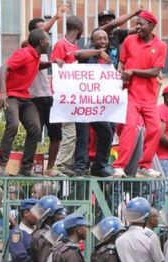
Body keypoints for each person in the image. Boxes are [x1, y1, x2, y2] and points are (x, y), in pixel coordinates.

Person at [0, 29, 58, 176]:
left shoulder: (35, 56)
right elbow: (3, 68)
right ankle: (0, 165)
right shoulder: (23, 53)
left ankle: (25, 168)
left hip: (25, 97)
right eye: (47, 40)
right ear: (41, 42)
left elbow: (36, 65)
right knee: (13, 125)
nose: (49, 42)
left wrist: (52, 63)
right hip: (11, 96)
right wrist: (3, 92)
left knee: (35, 128)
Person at [112, 10, 167, 178]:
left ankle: (145, 165)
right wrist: (121, 70)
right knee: (129, 128)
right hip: (131, 95)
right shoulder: (129, 41)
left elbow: (155, 71)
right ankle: (119, 166)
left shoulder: (161, 46)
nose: (137, 27)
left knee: (155, 130)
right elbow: (121, 63)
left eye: (141, 24)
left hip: (149, 97)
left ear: (151, 26)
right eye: (136, 24)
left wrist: (133, 71)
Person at [24, 5, 66, 177]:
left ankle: (50, 168)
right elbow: (38, 65)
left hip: (47, 96)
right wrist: (55, 18)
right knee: (34, 133)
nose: (45, 34)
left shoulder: (43, 50)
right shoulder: (26, 46)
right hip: (34, 98)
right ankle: (27, 167)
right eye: (41, 30)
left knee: (56, 135)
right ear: (33, 34)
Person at [71, 29, 115, 177]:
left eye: (105, 38)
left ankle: (99, 166)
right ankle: (80, 167)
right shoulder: (89, 53)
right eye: (99, 39)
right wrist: (98, 52)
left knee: (107, 133)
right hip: (84, 103)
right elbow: (77, 55)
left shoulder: (109, 56)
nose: (103, 41)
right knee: (83, 136)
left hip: (99, 105)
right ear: (93, 41)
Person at [50, 15, 84, 177]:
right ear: (78, 29)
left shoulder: (75, 47)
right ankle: (60, 164)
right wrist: (56, 60)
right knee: (68, 132)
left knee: (73, 132)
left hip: (73, 97)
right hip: (63, 97)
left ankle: (66, 163)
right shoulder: (61, 45)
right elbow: (54, 65)